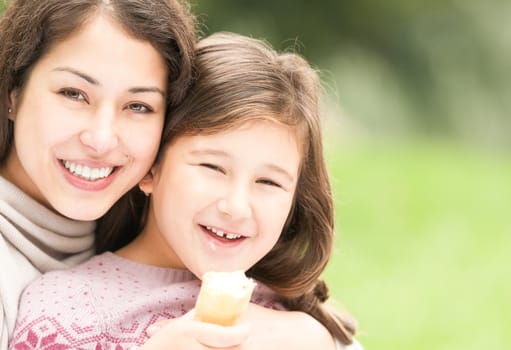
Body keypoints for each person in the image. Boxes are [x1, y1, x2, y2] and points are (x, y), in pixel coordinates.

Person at [10, 32, 362, 350]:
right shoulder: (64, 313)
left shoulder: (297, 319)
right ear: (152, 167)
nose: (236, 207)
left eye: (268, 182)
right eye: (212, 168)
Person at [0, 0, 196, 347]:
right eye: (74, 94)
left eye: (138, 106)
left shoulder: (150, 242)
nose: (101, 140)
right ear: (14, 91)